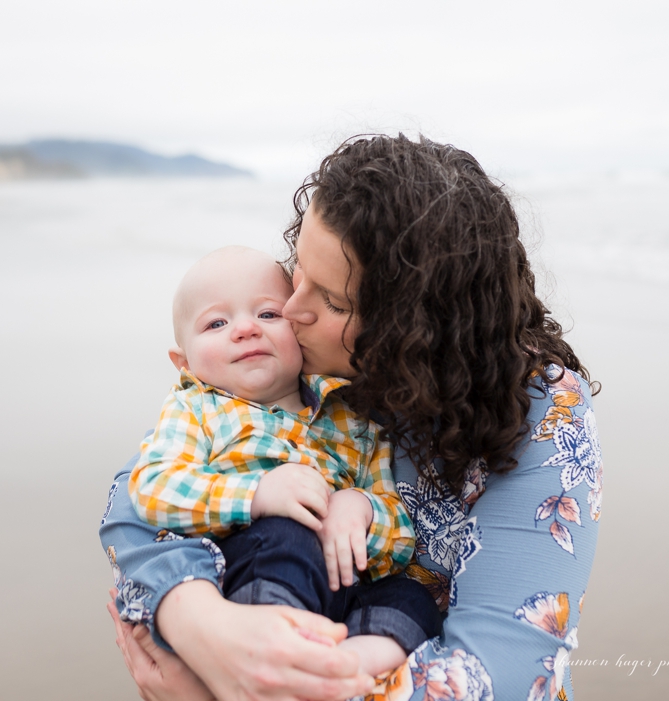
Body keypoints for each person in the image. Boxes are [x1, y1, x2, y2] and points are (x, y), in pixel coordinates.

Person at [102, 134, 603, 701]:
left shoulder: (543, 411)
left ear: (412, 328)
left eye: (334, 302)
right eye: (297, 270)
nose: (290, 310)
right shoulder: (301, 363)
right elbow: (135, 497)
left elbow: (506, 674)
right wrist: (201, 626)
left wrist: (232, 690)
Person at [127, 245, 432, 679]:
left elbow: (399, 530)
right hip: (255, 567)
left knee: (411, 597)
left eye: (268, 314)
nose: (245, 329)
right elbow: (154, 486)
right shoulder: (196, 408)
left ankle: (348, 663)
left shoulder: (353, 417)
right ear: (184, 362)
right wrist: (256, 494)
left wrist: (362, 508)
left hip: (344, 581)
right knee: (286, 536)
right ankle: (277, 649)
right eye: (217, 323)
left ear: (298, 331)